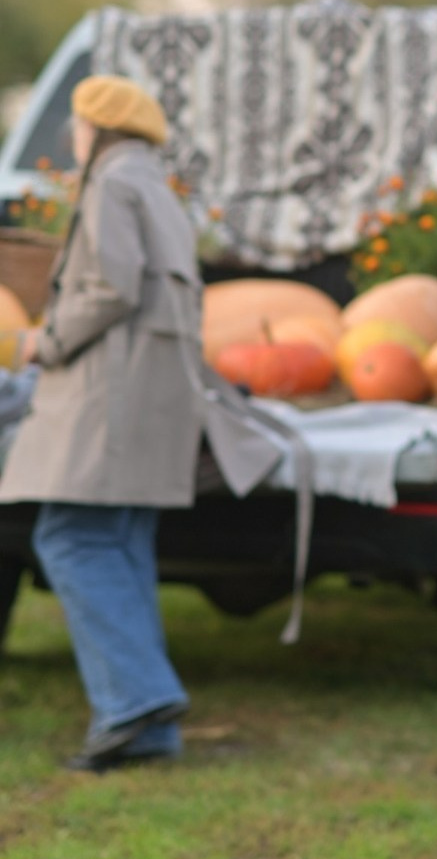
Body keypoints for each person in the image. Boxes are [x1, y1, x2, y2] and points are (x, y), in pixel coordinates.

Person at [0, 75, 270, 772]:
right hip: (154, 397)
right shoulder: (154, 183)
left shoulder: (111, 184)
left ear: (98, 129)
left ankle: (134, 702)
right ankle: (148, 732)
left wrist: (45, 341)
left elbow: (110, 287)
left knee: (70, 539)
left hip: (107, 397)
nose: (74, 139)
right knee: (118, 544)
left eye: (79, 127)